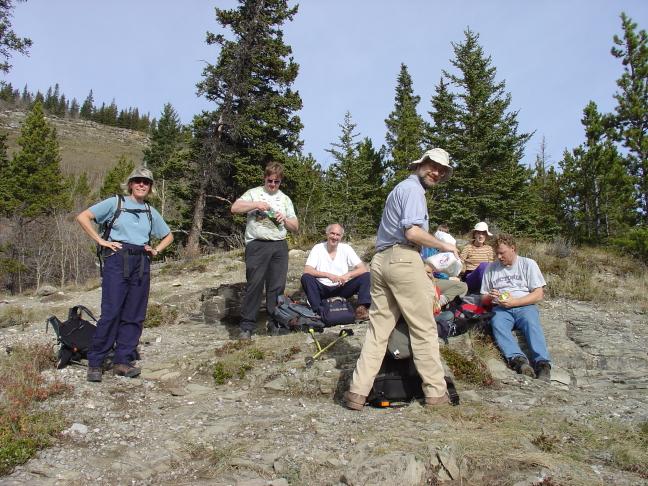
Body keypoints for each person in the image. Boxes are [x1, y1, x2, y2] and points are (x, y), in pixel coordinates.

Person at [344, 148, 459, 410]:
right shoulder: (414, 191)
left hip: (380, 261)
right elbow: (412, 232)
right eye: (433, 166)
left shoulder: (399, 189)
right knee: (423, 328)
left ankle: (357, 392)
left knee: (378, 331)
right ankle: (436, 394)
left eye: (441, 170)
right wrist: (445, 246)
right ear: (421, 164)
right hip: (404, 259)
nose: (436, 173)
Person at [76, 167, 173, 382]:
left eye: (146, 182)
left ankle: (123, 361)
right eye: (137, 181)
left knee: (135, 314)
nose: (141, 185)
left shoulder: (150, 211)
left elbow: (168, 236)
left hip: (141, 261)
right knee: (111, 312)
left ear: (150, 187)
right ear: (130, 184)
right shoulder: (116, 203)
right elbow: (83, 217)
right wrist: (101, 241)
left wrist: (156, 250)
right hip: (117, 259)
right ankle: (96, 362)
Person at [231, 161, 299, 340]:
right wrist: (255, 205)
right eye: (270, 181)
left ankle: (274, 323)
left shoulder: (285, 199)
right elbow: (235, 208)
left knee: (276, 286)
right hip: (257, 244)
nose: (273, 185)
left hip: (279, 245)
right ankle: (247, 326)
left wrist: (284, 219)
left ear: (280, 181)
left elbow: (295, 226)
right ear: (265, 178)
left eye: (277, 182)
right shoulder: (253, 193)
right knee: (254, 284)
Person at [480, 234, 551, 381]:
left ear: (513, 248)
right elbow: (483, 299)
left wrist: (515, 302)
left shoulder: (528, 264)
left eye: (502, 253)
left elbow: (538, 294)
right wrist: (490, 297)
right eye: (497, 253)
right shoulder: (491, 268)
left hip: (524, 305)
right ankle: (518, 361)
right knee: (497, 323)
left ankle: (542, 364)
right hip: (500, 308)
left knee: (531, 323)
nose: (499, 257)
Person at [301, 223, 370, 321]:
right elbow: (307, 270)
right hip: (322, 288)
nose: (334, 237)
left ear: (341, 237)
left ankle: (361, 309)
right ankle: (317, 311)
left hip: (341, 287)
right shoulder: (318, 248)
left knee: (366, 276)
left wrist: (347, 275)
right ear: (327, 234)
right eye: (332, 233)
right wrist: (327, 275)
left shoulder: (346, 248)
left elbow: (362, 268)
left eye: (338, 235)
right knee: (306, 278)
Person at [460, 221, 494, 293]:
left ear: (486, 236)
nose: (481, 236)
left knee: (486, 267)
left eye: (483, 234)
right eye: (479, 233)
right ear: (475, 234)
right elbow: (460, 261)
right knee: (483, 265)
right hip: (471, 276)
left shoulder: (489, 248)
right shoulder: (468, 247)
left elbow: (491, 264)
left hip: (485, 275)